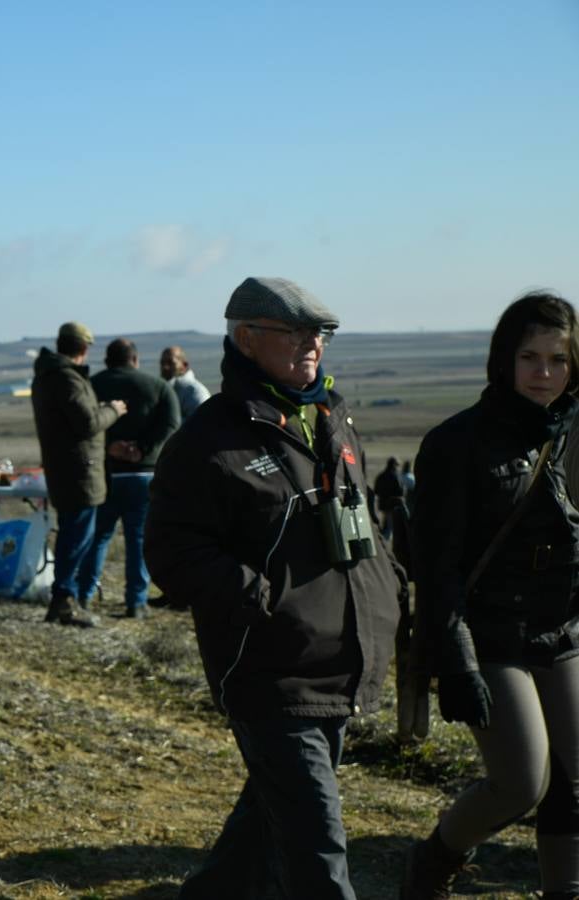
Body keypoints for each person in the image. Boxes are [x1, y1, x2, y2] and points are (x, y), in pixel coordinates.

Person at [145, 276, 402, 899]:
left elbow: (364, 522)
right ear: (246, 339)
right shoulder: (209, 441)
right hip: (271, 670)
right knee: (318, 846)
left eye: (321, 332)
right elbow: (171, 553)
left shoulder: (332, 419)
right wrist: (260, 599)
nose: (313, 343)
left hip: (342, 661)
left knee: (265, 829)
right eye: (296, 332)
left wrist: (391, 590)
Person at [401, 292, 579, 900]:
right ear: (504, 359)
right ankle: (435, 860)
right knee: (522, 783)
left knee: (574, 779)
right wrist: (457, 664)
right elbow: (437, 568)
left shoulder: (572, 432)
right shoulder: (456, 443)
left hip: (561, 629)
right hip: (489, 634)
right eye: (530, 357)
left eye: (558, 359)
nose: (544, 373)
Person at [73, 338, 179, 619]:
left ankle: (82, 596)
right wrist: (142, 449)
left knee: (97, 538)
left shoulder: (91, 385)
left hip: (105, 474)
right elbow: (171, 424)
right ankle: (136, 602)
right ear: (135, 359)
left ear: (107, 361)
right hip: (144, 475)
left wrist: (110, 446)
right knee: (138, 540)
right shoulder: (159, 387)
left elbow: (81, 422)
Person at [32, 322, 126, 626]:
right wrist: (113, 410)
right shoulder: (66, 378)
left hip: (67, 468)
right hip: (79, 470)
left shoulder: (50, 376)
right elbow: (87, 423)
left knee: (73, 533)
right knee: (76, 537)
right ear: (84, 348)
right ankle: (64, 599)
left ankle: (64, 598)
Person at [160, 344, 212, 419]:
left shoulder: (196, 392)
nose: (165, 367)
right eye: (162, 363)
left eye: (170, 362)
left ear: (184, 365)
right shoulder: (165, 390)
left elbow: (203, 421)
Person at [370, 456, 406, 540]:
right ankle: (384, 540)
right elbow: (400, 492)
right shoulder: (395, 476)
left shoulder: (381, 476)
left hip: (382, 503)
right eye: (397, 465)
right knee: (389, 526)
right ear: (394, 465)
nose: (398, 467)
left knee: (387, 522)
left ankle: (382, 537)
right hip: (392, 504)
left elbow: (376, 490)